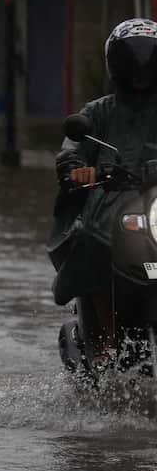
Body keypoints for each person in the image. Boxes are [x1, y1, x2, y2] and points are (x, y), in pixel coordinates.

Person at [49, 18, 157, 340]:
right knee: (89, 243)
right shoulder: (98, 112)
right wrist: (78, 169)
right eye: (131, 60)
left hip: (153, 212)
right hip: (109, 214)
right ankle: (105, 340)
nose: (141, 69)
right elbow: (72, 149)